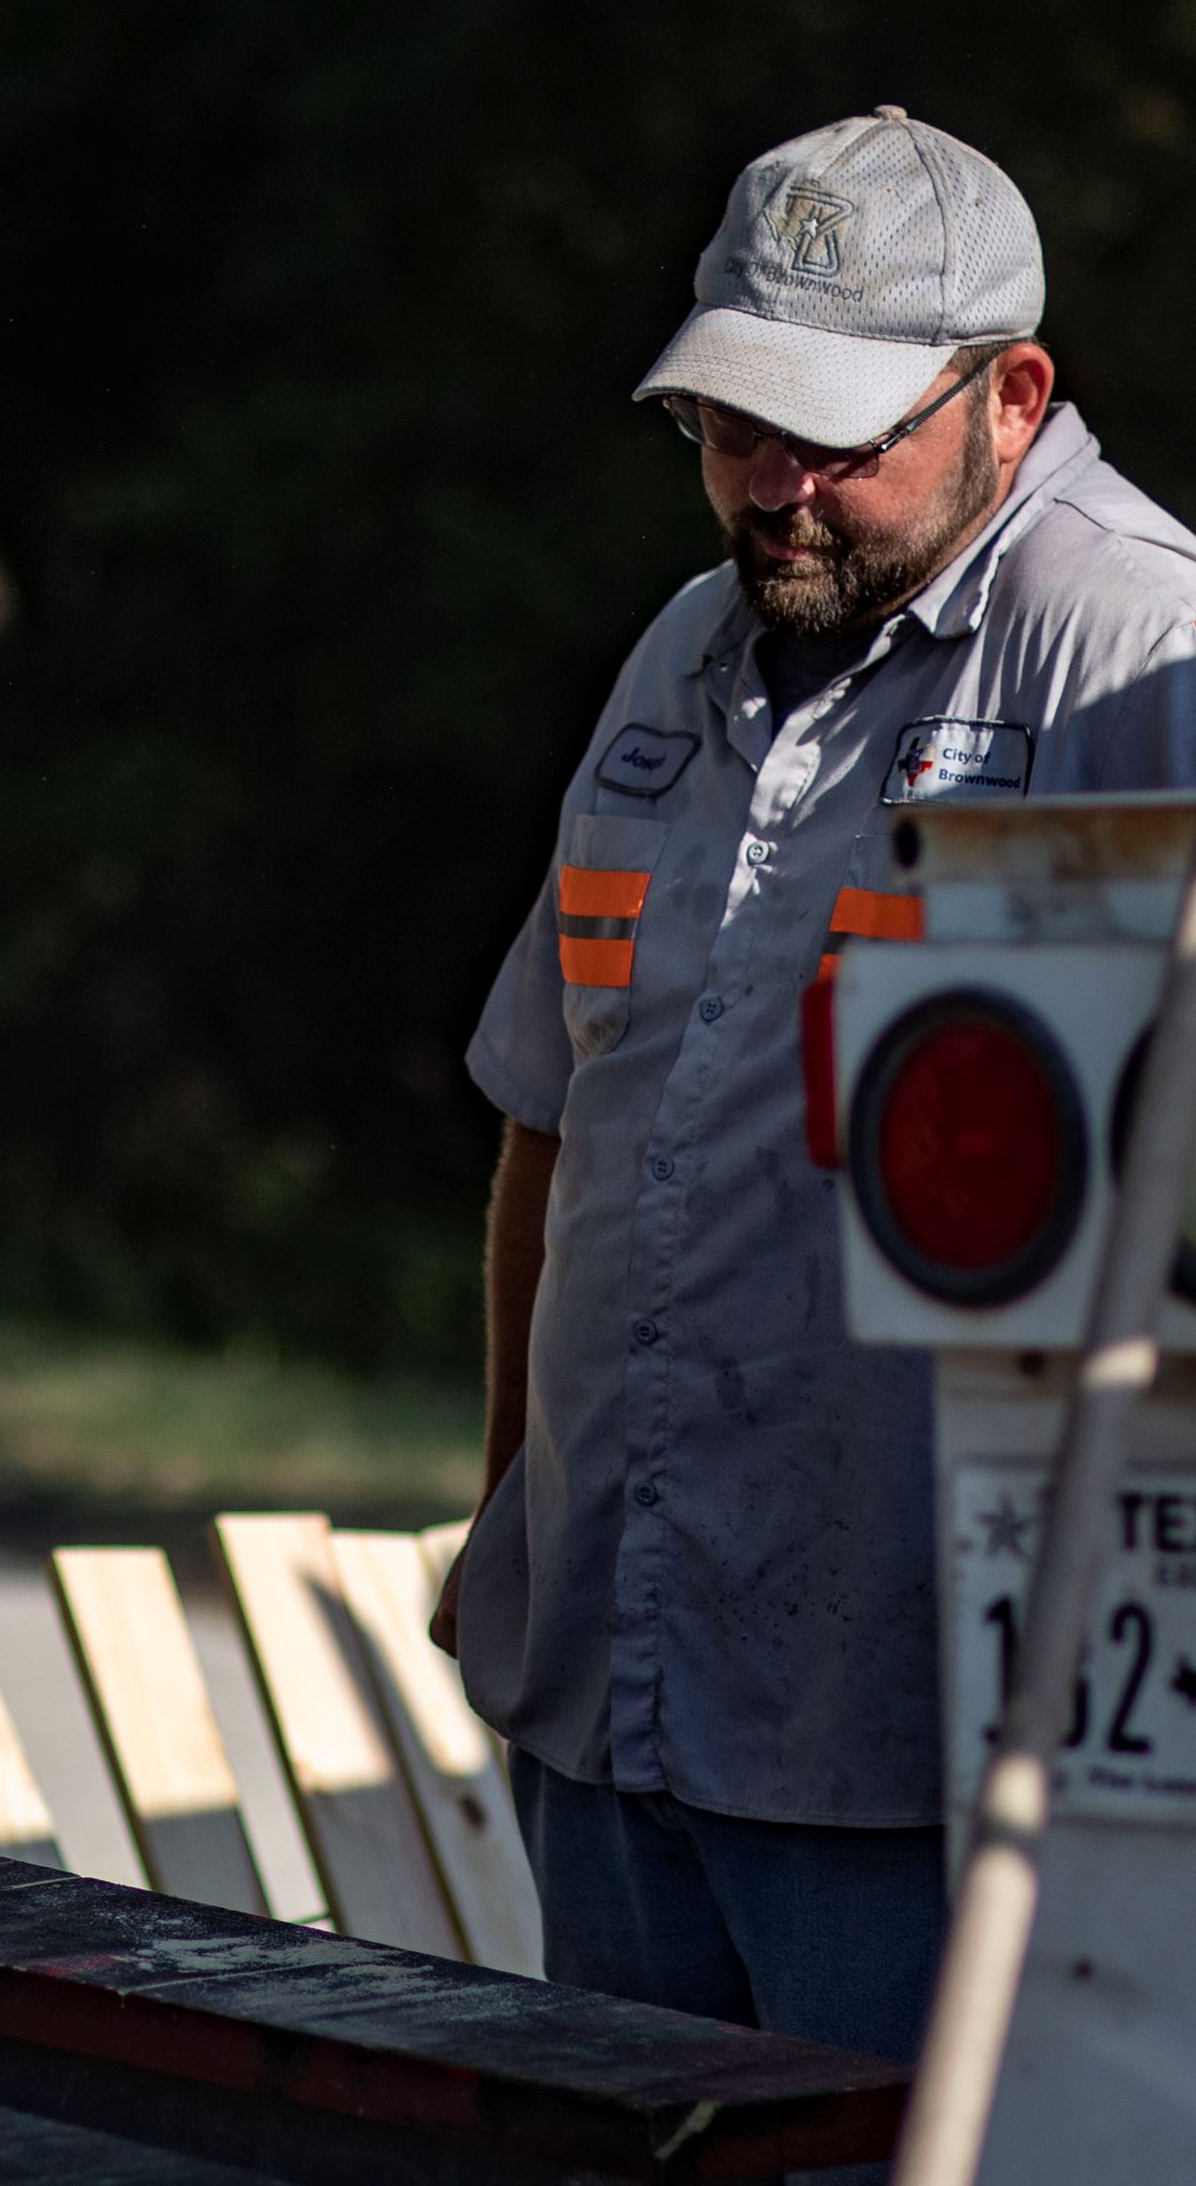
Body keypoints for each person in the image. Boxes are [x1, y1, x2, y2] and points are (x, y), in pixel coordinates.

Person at [432, 107, 1196, 2078]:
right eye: (723, 428)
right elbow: (551, 1116)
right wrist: (513, 1510)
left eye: (828, 438)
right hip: (617, 1697)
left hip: (928, 1755)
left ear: (1010, 395)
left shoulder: (1138, 654)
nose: (768, 489)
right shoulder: (687, 652)